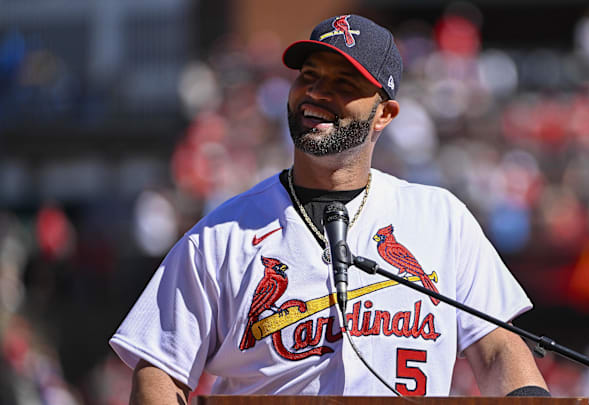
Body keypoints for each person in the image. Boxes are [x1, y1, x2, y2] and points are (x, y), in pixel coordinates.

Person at [110, 14, 549, 403]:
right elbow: (159, 371)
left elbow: (496, 352)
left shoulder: (441, 219)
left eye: (343, 84)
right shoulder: (222, 235)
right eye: (308, 76)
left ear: (385, 114)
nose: (317, 93)